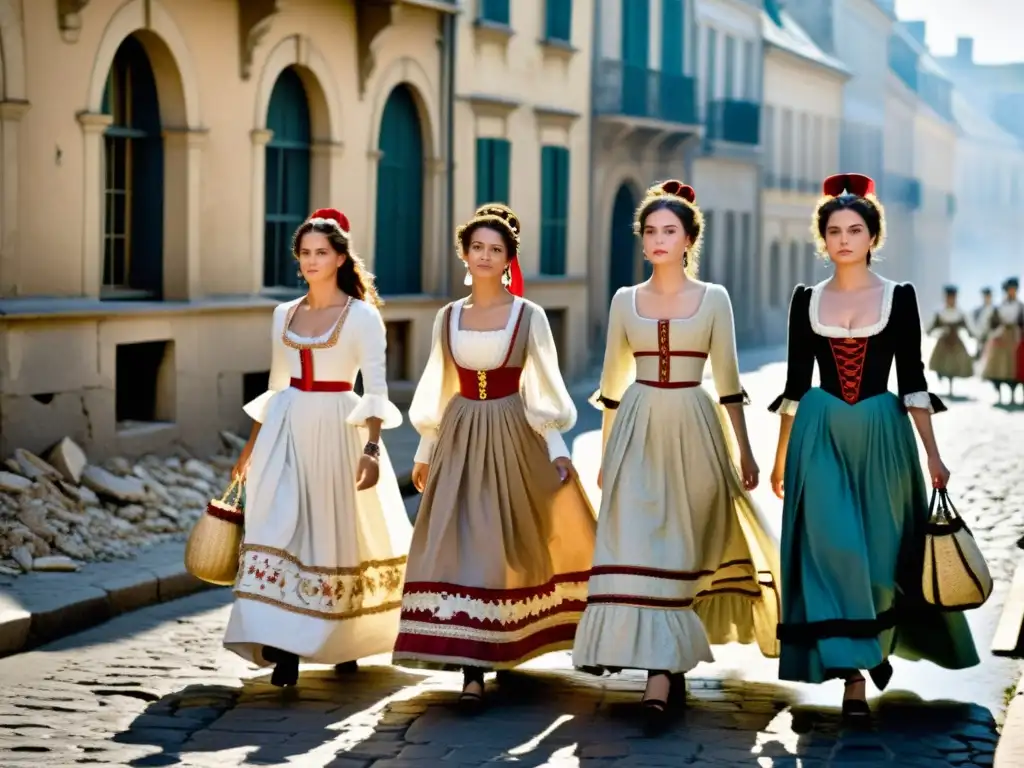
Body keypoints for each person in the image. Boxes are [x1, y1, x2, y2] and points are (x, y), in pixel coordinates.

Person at [572, 180, 781, 734]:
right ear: (641, 243)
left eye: (670, 231)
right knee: (637, 543)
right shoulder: (623, 300)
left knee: (682, 550)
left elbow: (731, 381)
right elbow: (612, 385)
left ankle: (666, 666)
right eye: (650, 231)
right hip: (637, 428)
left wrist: (746, 453)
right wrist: (607, 451)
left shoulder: (715, 298)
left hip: (696, 427)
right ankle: (659, 675)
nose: (659, 239)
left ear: (689, 239)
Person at [768, 174, 979, 723]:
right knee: (834, 547)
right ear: (823, 239)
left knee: (882, 561)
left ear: (871, 237)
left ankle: (872, 644)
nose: (843, 239)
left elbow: (912, 381)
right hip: (820, 434)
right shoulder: (806, 301)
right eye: (834, 230)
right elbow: (794, 387)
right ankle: (853, 675)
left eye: (854, 229)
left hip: (884, 436)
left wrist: (933, 455)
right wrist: (777, 457)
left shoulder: (899, 298)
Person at [393, 203, 597, 710]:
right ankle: (471, 667)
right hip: (460, 435)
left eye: (495, 249)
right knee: (461, 544)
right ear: (464, 253)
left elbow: (543, 388)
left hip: (513, 432)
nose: (485, 256)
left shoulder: (529, 316)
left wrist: (556, 448)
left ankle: (507, 644)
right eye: (477, 247)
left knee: (510, 541)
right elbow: (437, 387)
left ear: (509, 258)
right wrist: (424, 450)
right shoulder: (447, 317)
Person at [223, 209, 412, 687]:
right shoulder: (282, 314)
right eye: (304, 253)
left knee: (332, 535)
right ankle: (283, 647)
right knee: (276, 526)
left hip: (338, 429)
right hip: (285, 428)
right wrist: (249, 449)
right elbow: (274, 384)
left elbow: (376, 390)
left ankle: (341, 638)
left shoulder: (362, 316)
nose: (311, 261)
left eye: (320, 253)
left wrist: (371, 449)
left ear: (339, 258)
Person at [980, 277, 1024, 405]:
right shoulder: (999, 307)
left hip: (1016, 337)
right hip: (1001, 337)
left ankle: (1013, 395)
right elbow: (992, 323)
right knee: (998, 366)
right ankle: (999, 394)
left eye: (1014, 290)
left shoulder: (1020, 306)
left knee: (1015, 367)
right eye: (1010, 290)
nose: (1012, 292)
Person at [927, 285, 975, 394]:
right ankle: (941, 376)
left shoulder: (959, 313)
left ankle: (951, 386)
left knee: (955, 363)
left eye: (953, 298)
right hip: (944, 340)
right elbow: (934, 325)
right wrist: (930, 331)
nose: (951, 300)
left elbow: (965, 326)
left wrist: (971, 334)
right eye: (949, 298)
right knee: (941, 362)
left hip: (955, 340)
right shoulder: (941, 312)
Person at [971, 287, 994, 360]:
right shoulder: (977, 312)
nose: (987, 298)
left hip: (991, 340)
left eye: (988, 296)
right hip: (980, 340)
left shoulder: (995, 311)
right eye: (985, 296)